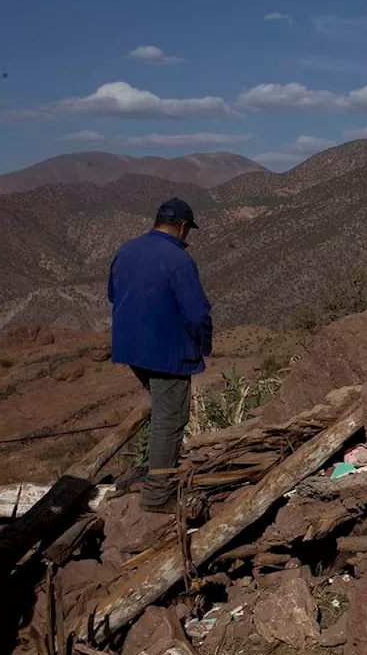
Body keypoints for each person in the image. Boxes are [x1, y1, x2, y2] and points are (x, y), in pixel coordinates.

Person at [108, 197, 213, 513]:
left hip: (131, 349)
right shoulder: (178, 260)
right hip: (167, 351)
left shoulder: (126, 250)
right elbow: (196, 314)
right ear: (182, 226)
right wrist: (202, 344)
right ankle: (157, 494)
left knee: (161, 408)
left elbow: (114, 295)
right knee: (171, 416)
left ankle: (153, 469)